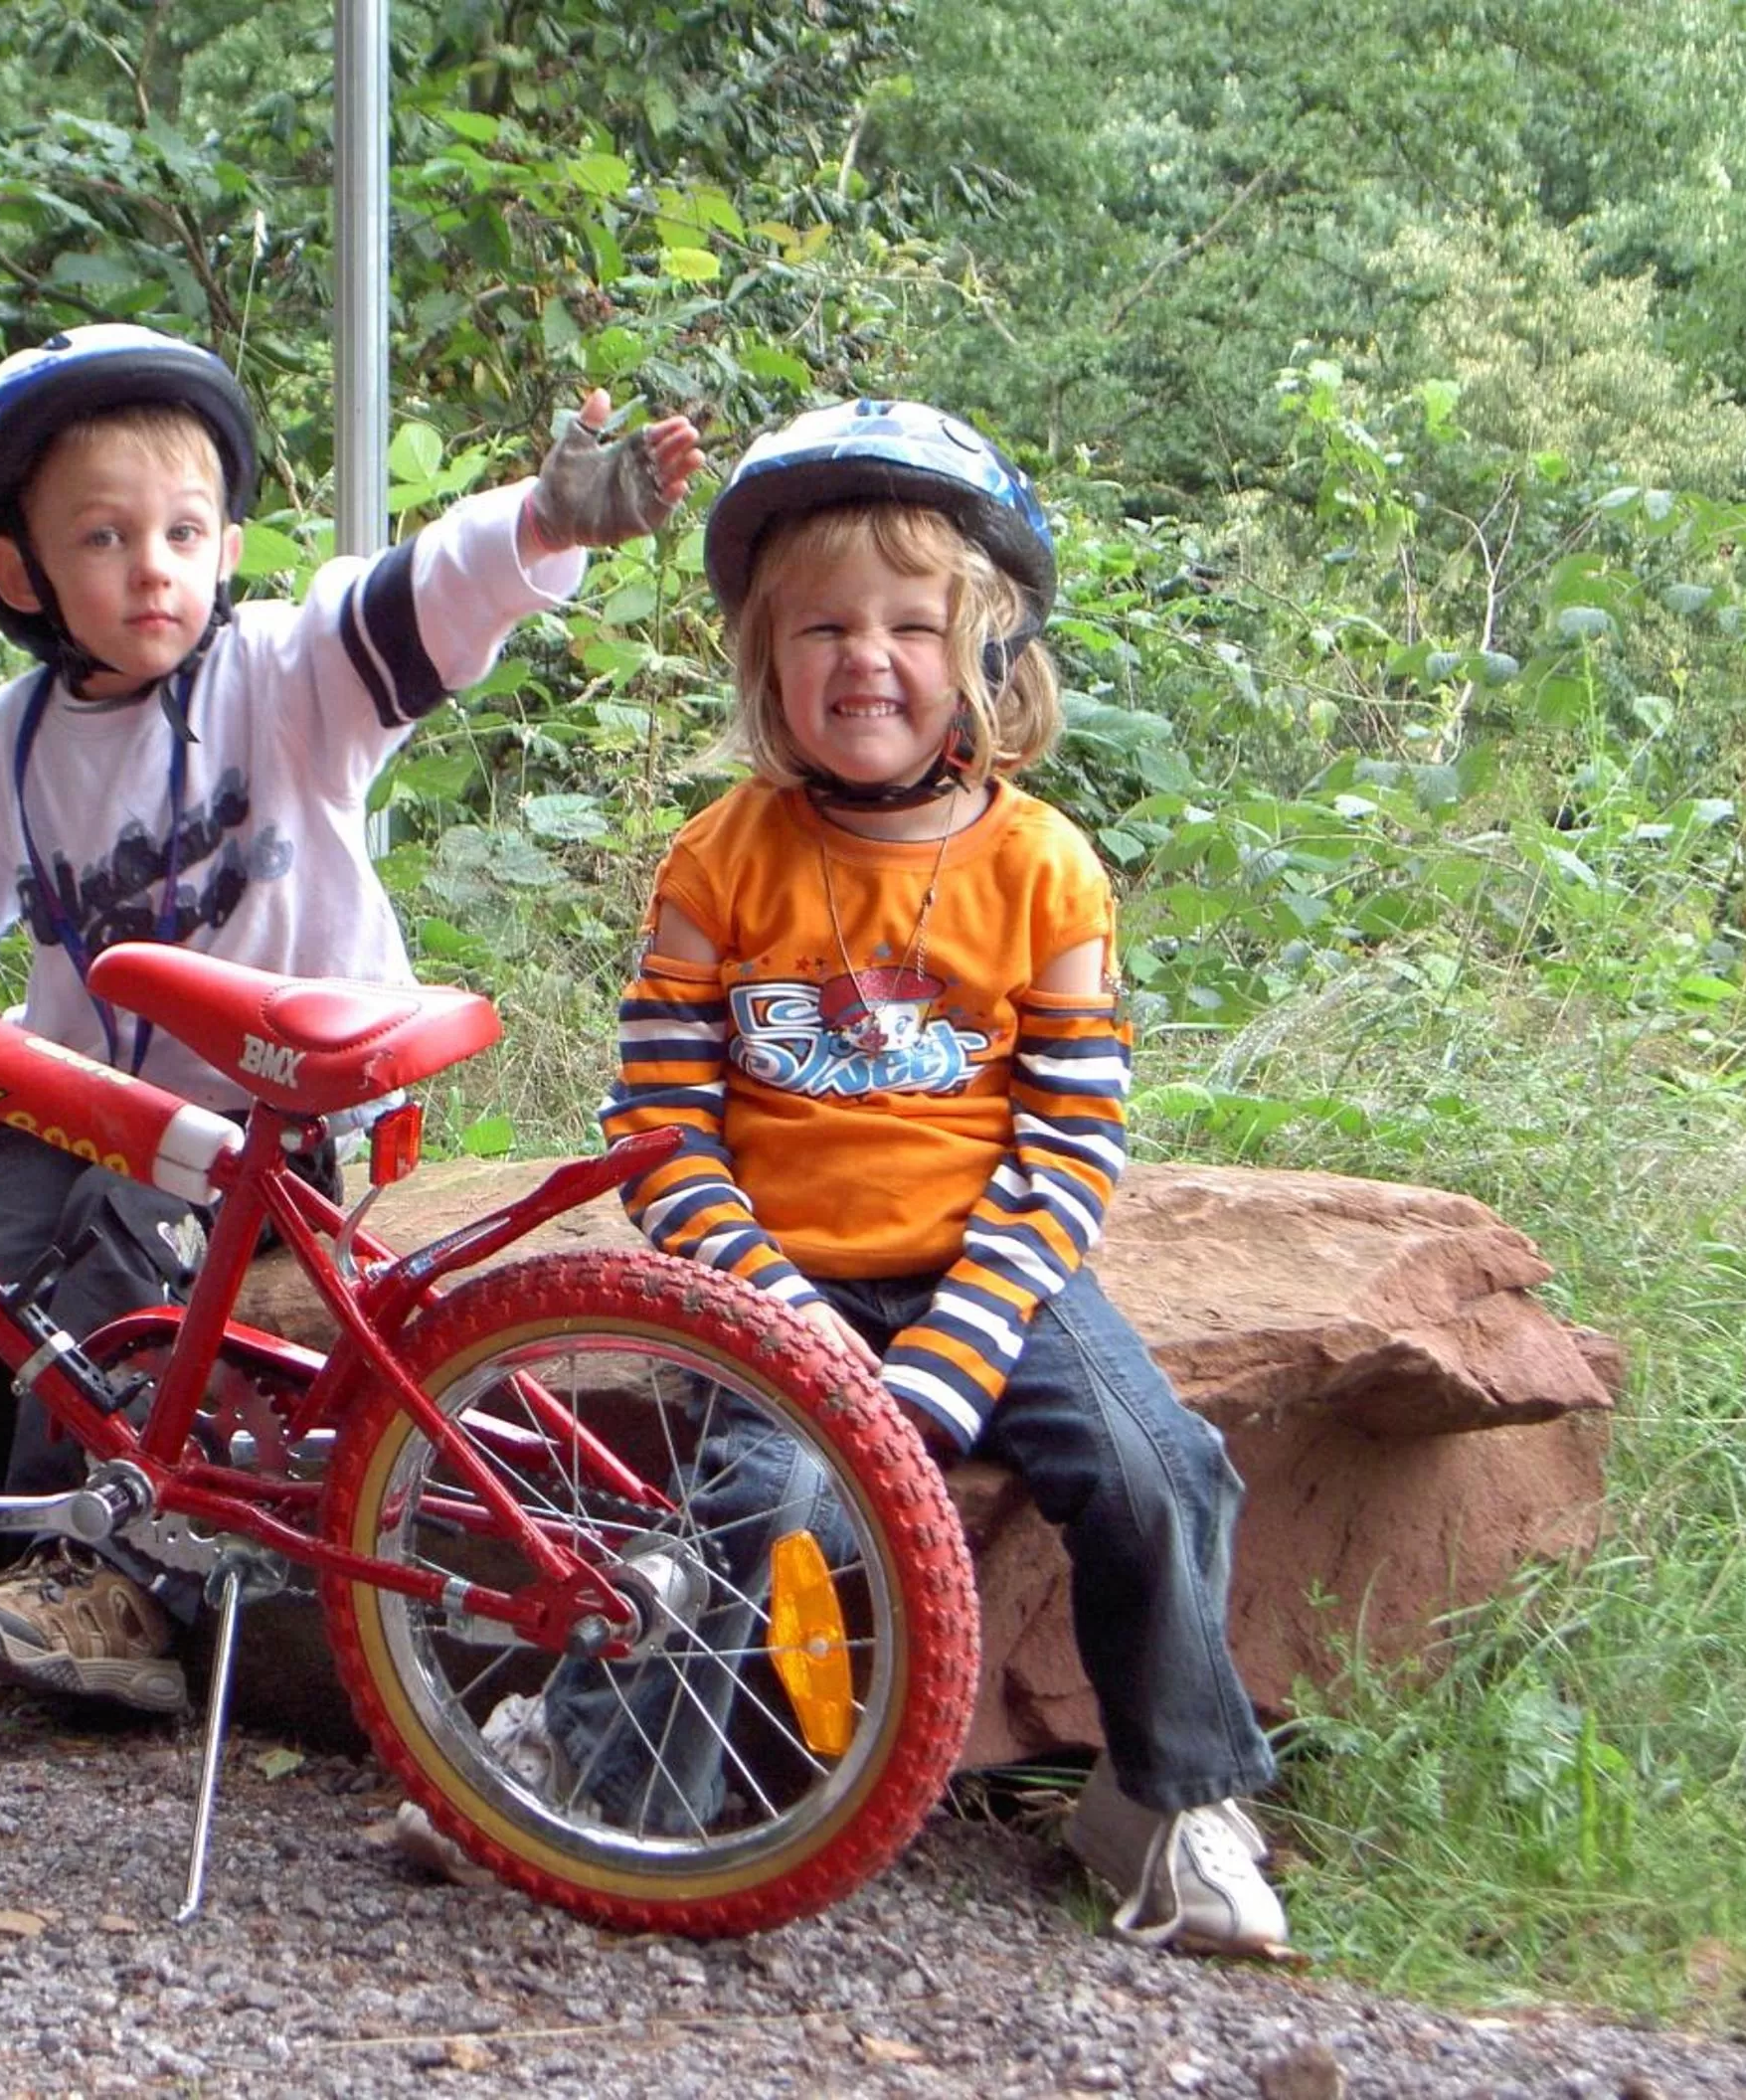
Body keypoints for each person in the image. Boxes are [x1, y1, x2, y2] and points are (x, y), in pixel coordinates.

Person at [441, 398, 1287, 1956]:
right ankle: (593, 1769)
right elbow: (656, 1127)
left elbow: (1073, 1138)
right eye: (822, 625)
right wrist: (766, 1305)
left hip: (995, 1263)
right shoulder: (720, 861)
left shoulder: (1044, 869)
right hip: (774, 1274)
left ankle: (1165, 1795)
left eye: (913, 623)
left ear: (989, 650)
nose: (866, 658)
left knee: (1160, 1468)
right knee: (766, 1497)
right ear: (768, 660)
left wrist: (956, 1353)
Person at [0, 322, 706, 1716]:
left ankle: (99, 1576)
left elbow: (420, 601)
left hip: (257, 1115)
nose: (149, 565)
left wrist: (539, 523)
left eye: (181, 528)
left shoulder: (289, 679)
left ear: (228, 543)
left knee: (122, 1269)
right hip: (72, 1103)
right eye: (100, 540)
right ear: (16, 570)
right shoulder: (10, 744)